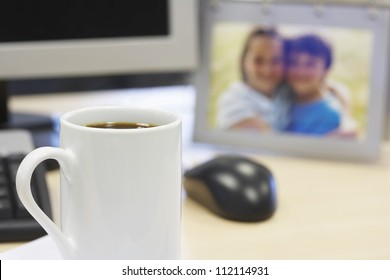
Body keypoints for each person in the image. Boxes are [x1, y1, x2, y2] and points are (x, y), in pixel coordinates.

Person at [217, 27, 290, 132]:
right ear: (242, 63)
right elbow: (269, 140)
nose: (267, 70)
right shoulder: (232, 100)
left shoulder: (286, 95)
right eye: (258, 61)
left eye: (275, 60)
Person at [284, 34, 342, 135]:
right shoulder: (283, 97)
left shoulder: (329, 114)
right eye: (294, 62)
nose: (300, 71)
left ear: (325, 70)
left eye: (310, 64)